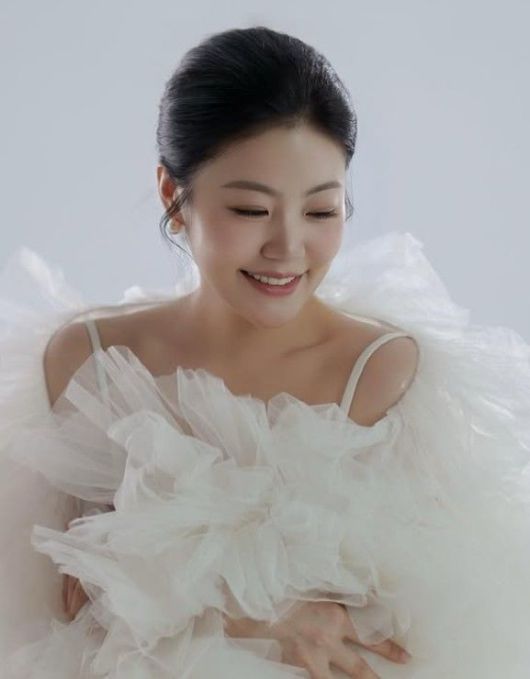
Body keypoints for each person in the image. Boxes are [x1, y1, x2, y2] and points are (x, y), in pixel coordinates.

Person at [1, 25, 530, 679]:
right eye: (252, 210)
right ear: (172, 194)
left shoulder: (386, 375)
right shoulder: (91, 366)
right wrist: (258, 617)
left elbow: (430, 622)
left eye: (321, 211)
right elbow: (67, 599)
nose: (287, 248)